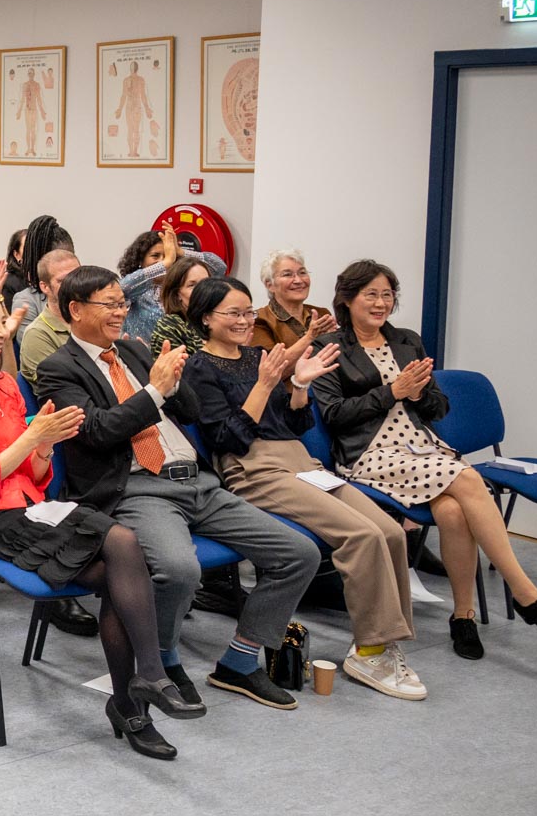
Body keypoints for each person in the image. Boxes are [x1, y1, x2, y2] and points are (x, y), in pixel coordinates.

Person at [0, 283, 196, 758]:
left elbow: (37, 477)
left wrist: (43, 446)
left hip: (29, 509)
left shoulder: (7, 386)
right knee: (122, 546)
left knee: (121, 562)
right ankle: (143, 685)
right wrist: (32, 439)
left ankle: (133, 697)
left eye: (1, 320)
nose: (2, 331)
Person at [34, 266, 321, 709]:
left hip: (198, 481)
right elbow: (96, 431)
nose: (120, 311)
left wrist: (173, 376)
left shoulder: (132, 349)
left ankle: (240, 662)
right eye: (109, 303)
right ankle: (163, 661)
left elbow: (187, 412)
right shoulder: (59, 368)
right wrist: (153, 390)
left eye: (122, 303)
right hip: (136, 488)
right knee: (180, 570)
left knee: (299, 553)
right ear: (75, 309)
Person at [310, 260, 537, 657]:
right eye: (371, 294)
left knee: (454, 512)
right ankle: (526, 594)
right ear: (347, 299)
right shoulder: (330, 347)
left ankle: (463, 616)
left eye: (388, 294)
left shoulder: (406, 340)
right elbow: (334, 416)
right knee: (470, 480)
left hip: (421, 447)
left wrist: (419, 393)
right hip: (370, 455)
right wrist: (394, 391)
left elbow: (439, 407)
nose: (381, 302)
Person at [181, 276, 425, 700]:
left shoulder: (258, 355)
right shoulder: (198, 368)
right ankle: (371, 648)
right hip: (254, 470)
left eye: (246, 312)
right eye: (233, 313)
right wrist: (265, 383)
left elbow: (295, 423)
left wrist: (299, 387)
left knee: (388, 530)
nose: (243, 321)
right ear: (206, 318)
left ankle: (386, 644)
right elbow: (226, 440)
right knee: (361, 536)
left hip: (299, 460)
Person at [16, 249, 83, 385]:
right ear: (45, 287)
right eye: (63, 281)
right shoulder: (37, 334)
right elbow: (62, 388)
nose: (73, 285)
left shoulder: (90, 321)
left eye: (77, 277)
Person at [251, 248, 337, 349]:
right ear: (270, 285)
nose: (298, 280)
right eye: (287, 274)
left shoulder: (321, 314)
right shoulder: (259, 320)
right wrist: (310, 337)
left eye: (302, 273)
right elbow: (271, 363)